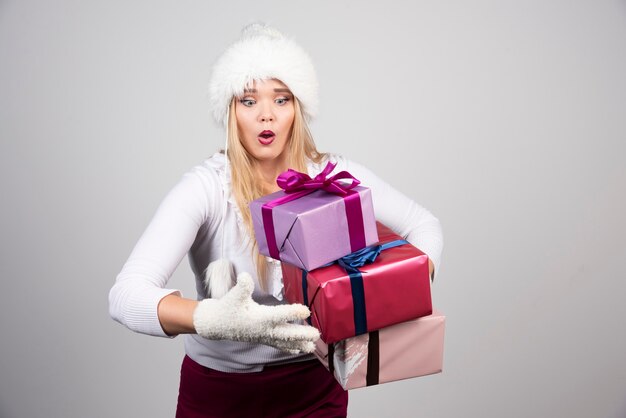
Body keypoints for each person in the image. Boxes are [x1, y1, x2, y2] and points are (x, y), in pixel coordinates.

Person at [109, 23, 443, 418]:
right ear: (231, 110)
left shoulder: (334, 178)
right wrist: (212, 319)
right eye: (249, 101)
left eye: (281, 100)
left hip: (315, 390)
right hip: (219, 394)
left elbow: (425, 226)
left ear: (298, 108)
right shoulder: (206, 188)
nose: (266, 115)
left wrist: (390, 288)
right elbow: (126, 296)